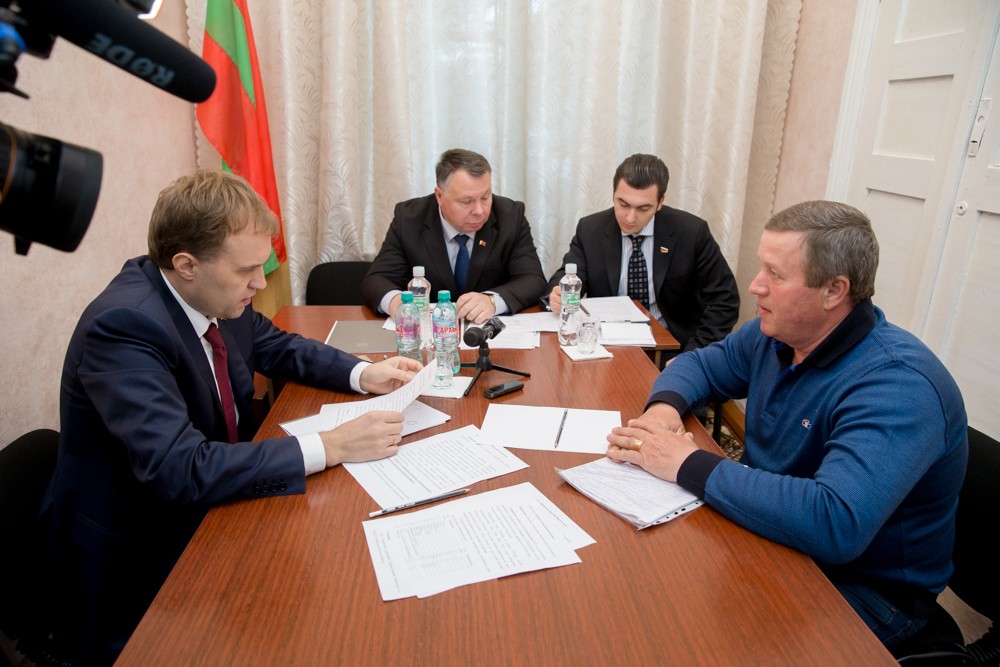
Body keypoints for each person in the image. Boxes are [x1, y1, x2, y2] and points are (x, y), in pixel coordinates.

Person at [43, 170, 422, 665]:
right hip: (141, 557)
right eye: (247, 270)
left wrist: (362, 373)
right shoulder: (124, 327)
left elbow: (277, 345)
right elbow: (180, 468)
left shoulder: (209, 293)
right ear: (186, 265)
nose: (260, 283)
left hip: (215, 506)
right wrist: (332, 445)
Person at [606, 200, 967, 649]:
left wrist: (686, 462)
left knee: (690, 639)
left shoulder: (899, 386)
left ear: (833, 291)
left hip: (863, 589)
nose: (755, 285)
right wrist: (663, 410)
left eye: (775, 275)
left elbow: (834, 523)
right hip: (775, 534)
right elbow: (699, 365)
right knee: (643, 590)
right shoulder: (777, 333)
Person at [547, 154, 739, 354]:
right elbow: (568, 275)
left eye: (643, 208)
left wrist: (694, 355)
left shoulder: (691, 232)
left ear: (660, 202)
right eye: (623, 204)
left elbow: (725, 300)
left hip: (672, 347)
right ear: (613, 194)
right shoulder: (590, 230)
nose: (630, 218)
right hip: (606, 345)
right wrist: (557, 294)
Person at [361, 148, 547, 324]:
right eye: (466, 201)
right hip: (429, 332)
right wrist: (396, 303)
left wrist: (492, 301)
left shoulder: (510, 216)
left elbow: (533, 280)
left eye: (485, 197)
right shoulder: (410, 219)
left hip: (489, 333)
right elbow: (377, 279)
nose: (480, 211)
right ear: (439, 196)